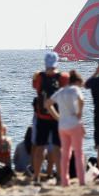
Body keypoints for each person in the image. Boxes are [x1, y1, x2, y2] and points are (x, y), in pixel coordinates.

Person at [32, 52, 69, 184]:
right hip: (58, 118)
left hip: (42, 117)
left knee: (40, 147)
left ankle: (36, 176)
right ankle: (59, 176)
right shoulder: (63, 77)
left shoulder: (39, 77)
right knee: (58, 148)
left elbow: (35, 87)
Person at [46, 70, 86, 186]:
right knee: (78, 153)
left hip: (62, 126)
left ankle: (64, 181)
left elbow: (48, 104)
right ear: (77, 82)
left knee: (65, 154)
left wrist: (57, 117)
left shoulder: (61, 91)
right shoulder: (75, 89)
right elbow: (82, 100)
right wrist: (79, 113)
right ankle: (81, 181)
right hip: (74, 124)